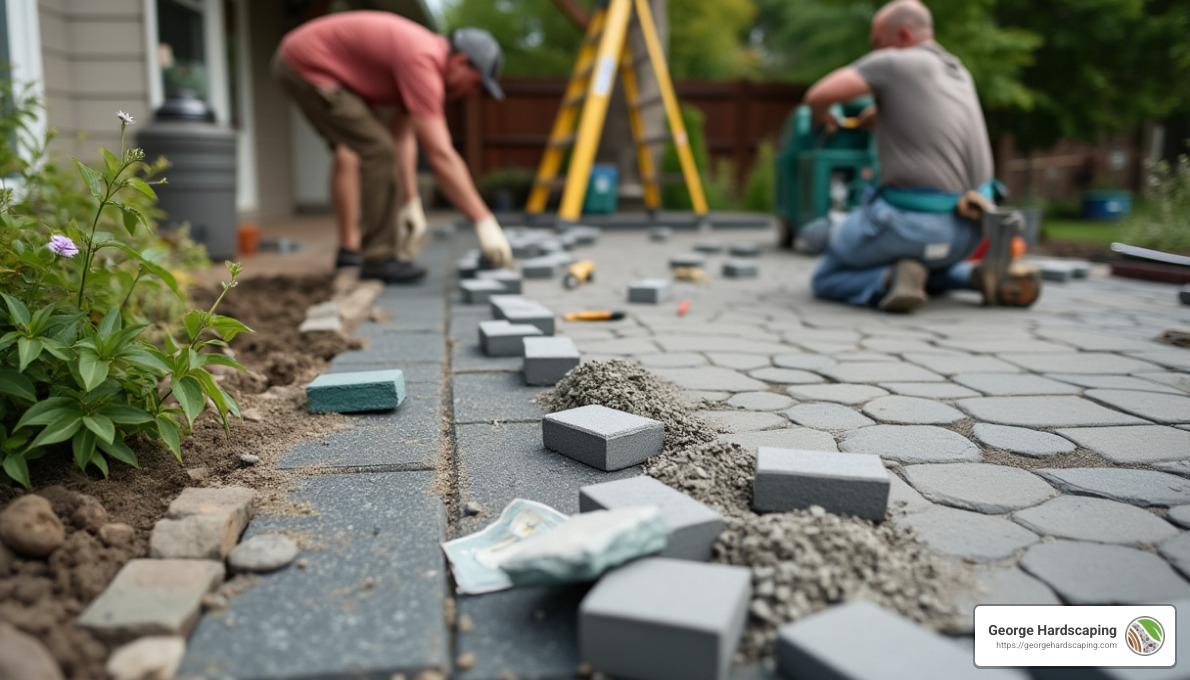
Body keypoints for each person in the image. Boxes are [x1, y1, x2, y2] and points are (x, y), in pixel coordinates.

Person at [805, 0, 1033, 312]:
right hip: (970, 233)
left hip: (911, 228)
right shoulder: (957, 70)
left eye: (877, 41)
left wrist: (824, 115)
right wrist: (881, 114)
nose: (875, 49)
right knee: (924, 257)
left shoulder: (895, 62)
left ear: (902, 34)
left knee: (827, 270)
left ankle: (887, 279)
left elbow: (818, 95)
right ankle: (974, 276)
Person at [273, 11, 514, 283]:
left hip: (309, 61)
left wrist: (411, 201)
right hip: (306, 64)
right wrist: (483, 220)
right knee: (376, 149)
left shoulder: (422, 59)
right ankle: (378, 257)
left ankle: (351, 252)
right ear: (461, 62)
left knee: (363, 148)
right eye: (476, 85)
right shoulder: (424, 61)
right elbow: (441, 155)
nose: (472, 94)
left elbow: (402, 137)